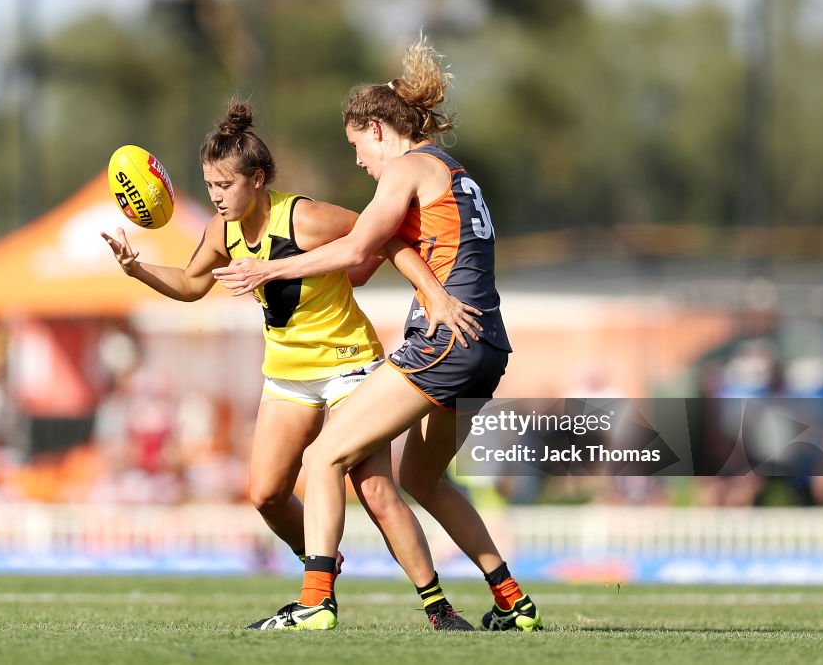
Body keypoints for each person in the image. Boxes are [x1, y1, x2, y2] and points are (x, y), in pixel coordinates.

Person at [101, 100, 481, 630]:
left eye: (224, 185)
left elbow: (386, 239)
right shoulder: (221, 230)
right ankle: (324, 565)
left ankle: (437, 608)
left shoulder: (305, 216)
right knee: (267, 494)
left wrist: (431, 292)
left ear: (257, 180)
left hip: (349, 364)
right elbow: (191, 285)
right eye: (209, 184)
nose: (215, 196)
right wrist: (137, 269)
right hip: (287, 375)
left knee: (374, 490)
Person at [214, 37, 543, 632]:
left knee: (325, 456)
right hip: (486, 343)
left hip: (445, 339)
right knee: (419, 478)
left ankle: (315, 601)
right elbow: (365, 263)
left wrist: (271, 268)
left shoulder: (405, 167)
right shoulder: (451, 169)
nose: (360, 161)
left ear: (376, 127)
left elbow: (361, 246)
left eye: (357, 145)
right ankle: (512, 600)